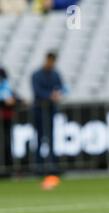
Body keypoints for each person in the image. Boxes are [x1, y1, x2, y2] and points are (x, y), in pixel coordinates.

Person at [31, 52, 64, 188]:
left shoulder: (55, 74)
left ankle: (52, 166)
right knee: (39, 138)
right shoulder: (36, 74)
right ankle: (39, 167)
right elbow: (37, 91)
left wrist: (57, 94)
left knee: (51, 138)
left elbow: (61, 87)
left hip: (50, 111)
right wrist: (50, 96)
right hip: (39, 111)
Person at [0, 67, 16, 176]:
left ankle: (8, 169)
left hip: (6, 118)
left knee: (7, 143)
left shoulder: (5, 84)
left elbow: (12, 94)